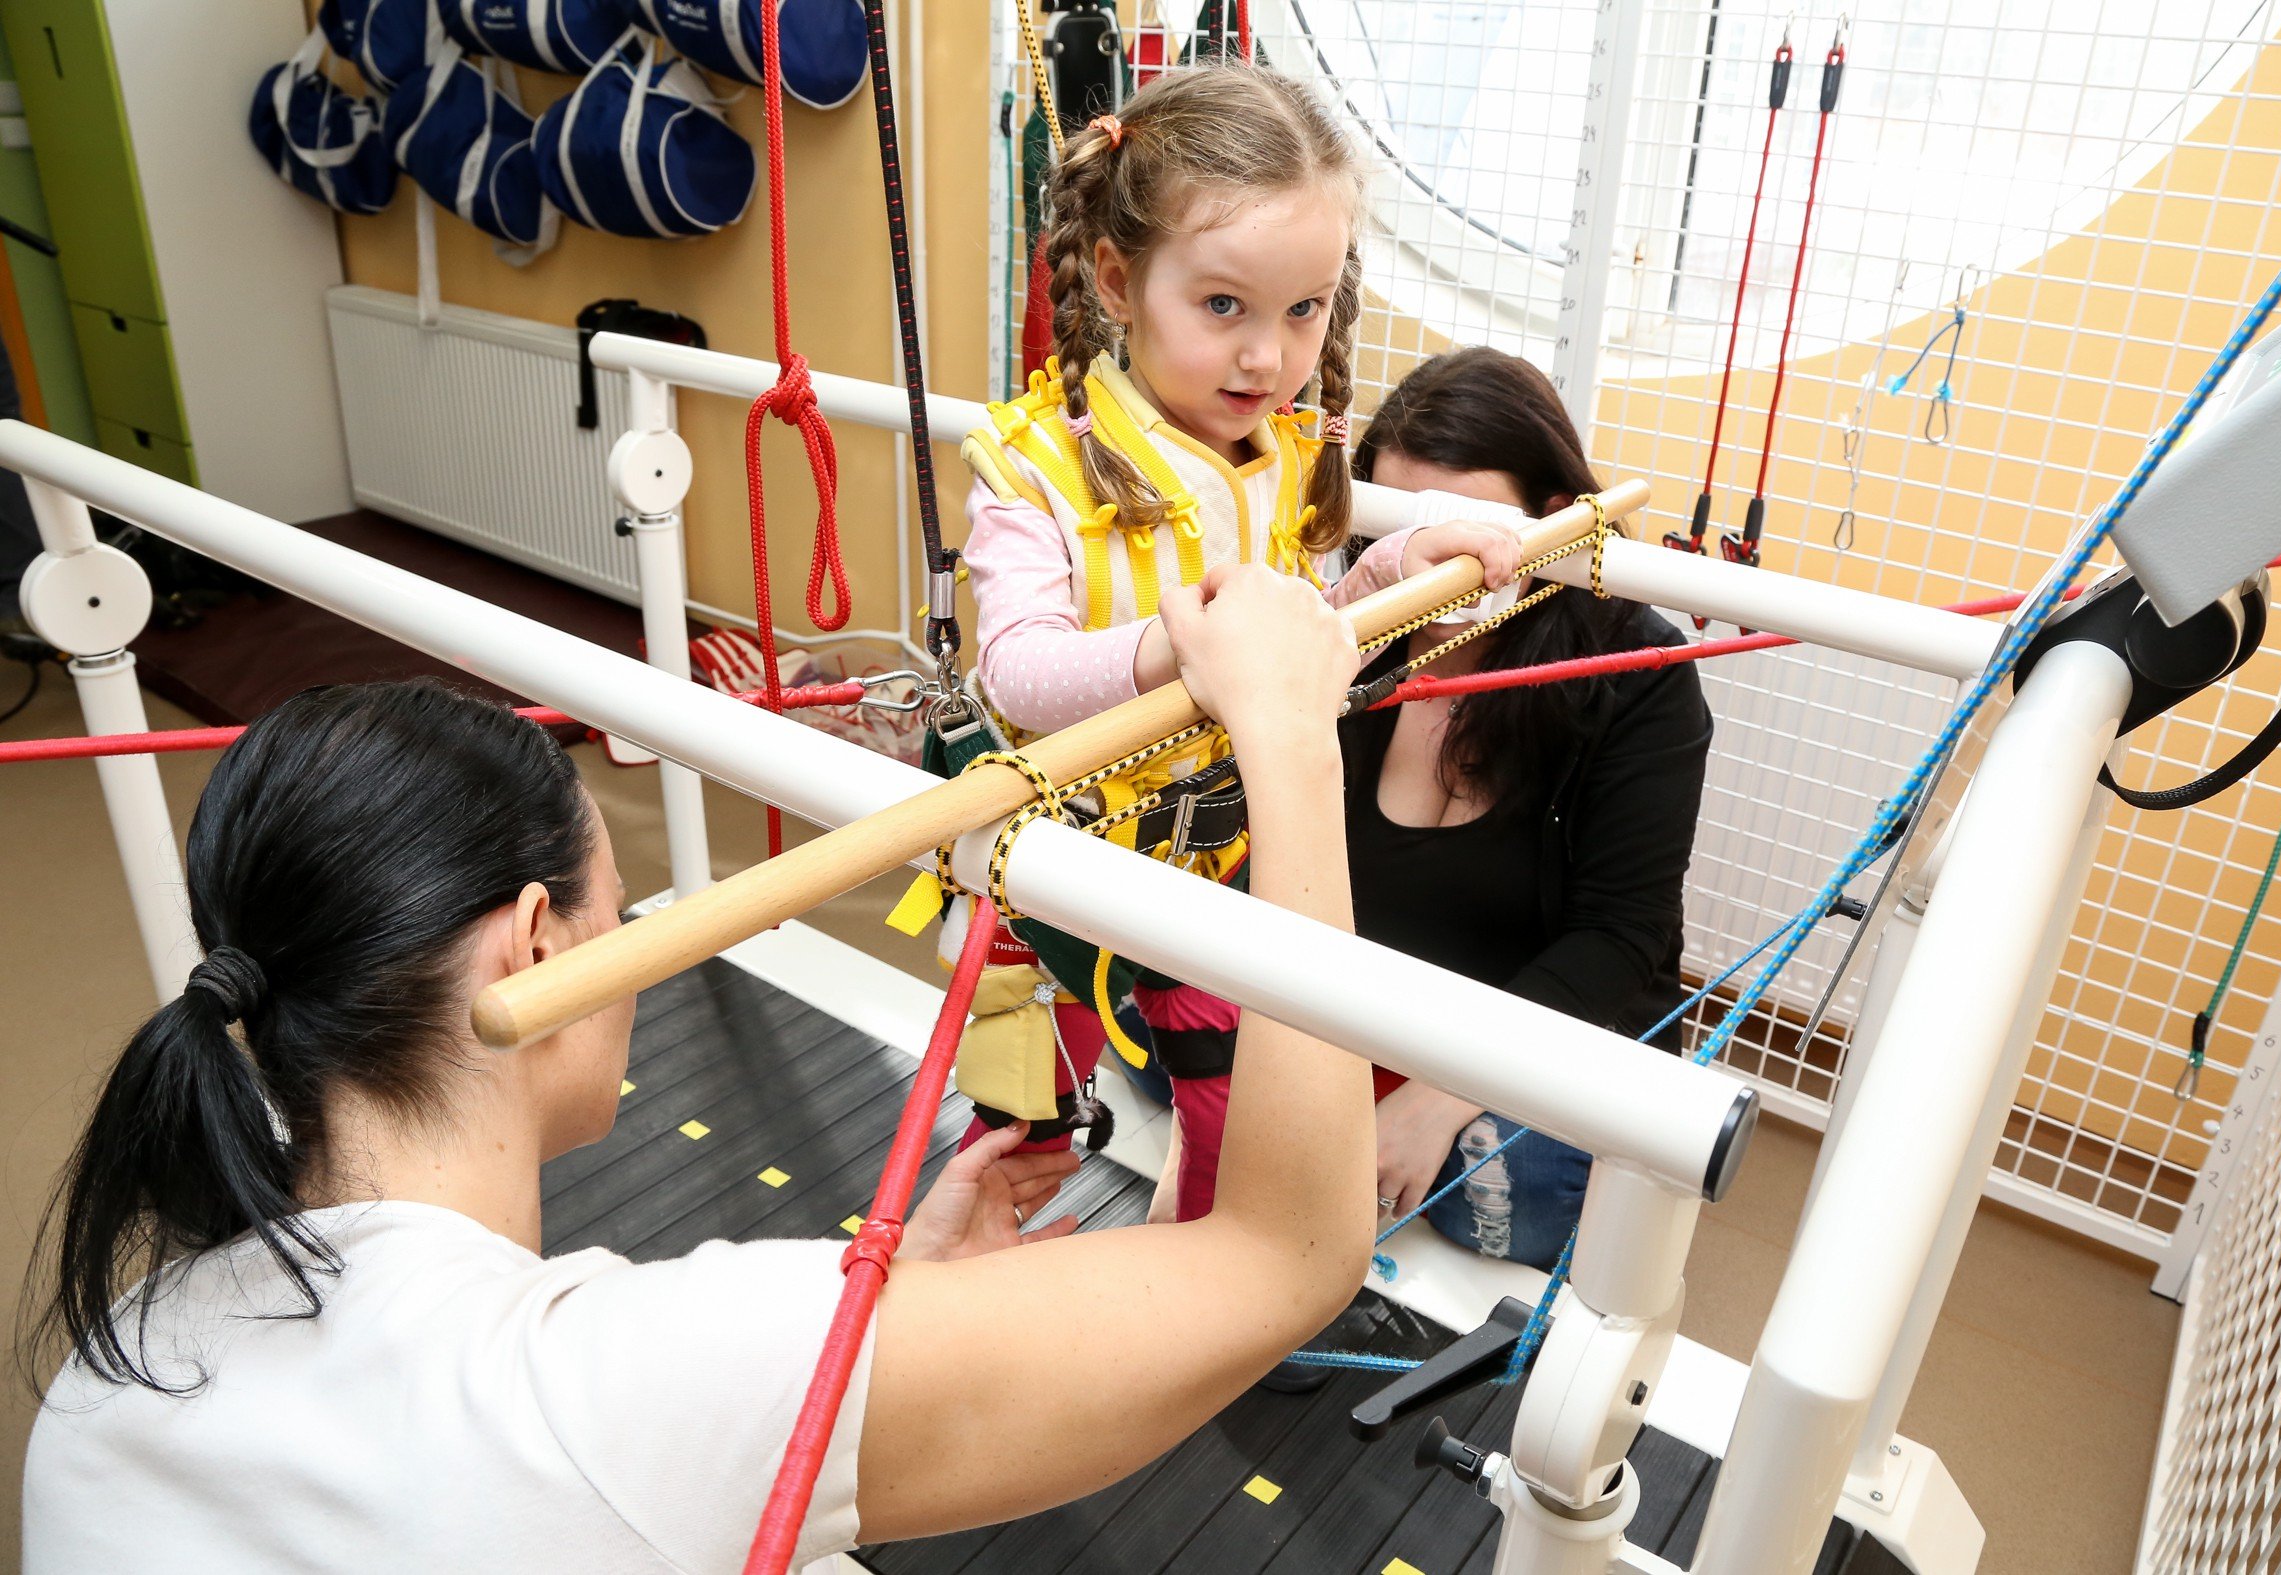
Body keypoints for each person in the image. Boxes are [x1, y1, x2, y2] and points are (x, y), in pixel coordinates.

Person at [18, 563, 1373, 1571]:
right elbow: (1285, 1251)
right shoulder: (633, 1382)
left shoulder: (109, 1374)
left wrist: (897, 1312)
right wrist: (1291, 735)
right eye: (624, 906)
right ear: (532, 947)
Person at [958, 63, 1519, 1220]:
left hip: (1215, 872)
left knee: (1233, 1112)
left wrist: (1389, 577)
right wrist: (1170, 654)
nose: (1267, 356)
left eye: (1302, 311)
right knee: (1022, 1126)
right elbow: (1011, 669)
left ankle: (1204, 1266)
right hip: (1060, 882)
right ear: (1116, 279)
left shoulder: (1272, 456)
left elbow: (1301, 637)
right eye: (1225, 308)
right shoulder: (1034, 471)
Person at [1349, 347, 1714, 1269]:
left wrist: (1444, 1090)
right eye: (1403, 531)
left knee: (1520, 1189)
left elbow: (1621, 940)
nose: (1430, 568)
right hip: (1362, 1012)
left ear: (1553, 520)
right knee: (1167, 1029)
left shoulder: (1637, 669)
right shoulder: (1351, 630)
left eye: (1466, 534)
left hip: (1535, 1031)